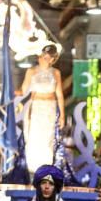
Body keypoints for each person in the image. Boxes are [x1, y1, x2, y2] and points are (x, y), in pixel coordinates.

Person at [21, 44, 66, 176]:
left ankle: (46, 170)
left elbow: (60, 95)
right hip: (35, 107)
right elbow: (24, 90)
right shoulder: (31, 71)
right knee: (34, 137)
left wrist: (62, 115)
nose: (46, 59)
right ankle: (31, 170)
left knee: (48, 138)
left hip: (50, 108)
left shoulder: (56, 73)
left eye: (50, 57)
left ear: (53, 59)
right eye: (44, 56)